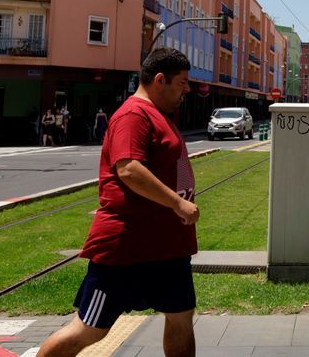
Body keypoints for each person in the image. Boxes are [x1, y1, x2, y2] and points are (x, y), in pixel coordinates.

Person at [39, 48, 197, 357]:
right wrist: (177, 203)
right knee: (89, 330)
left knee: (181, 317)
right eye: (182, 82)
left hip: (166, 245)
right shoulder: (133, 115)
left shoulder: (158, 115)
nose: (187, 89)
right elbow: (128, 168)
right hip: (127, 247)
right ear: (160, 80)